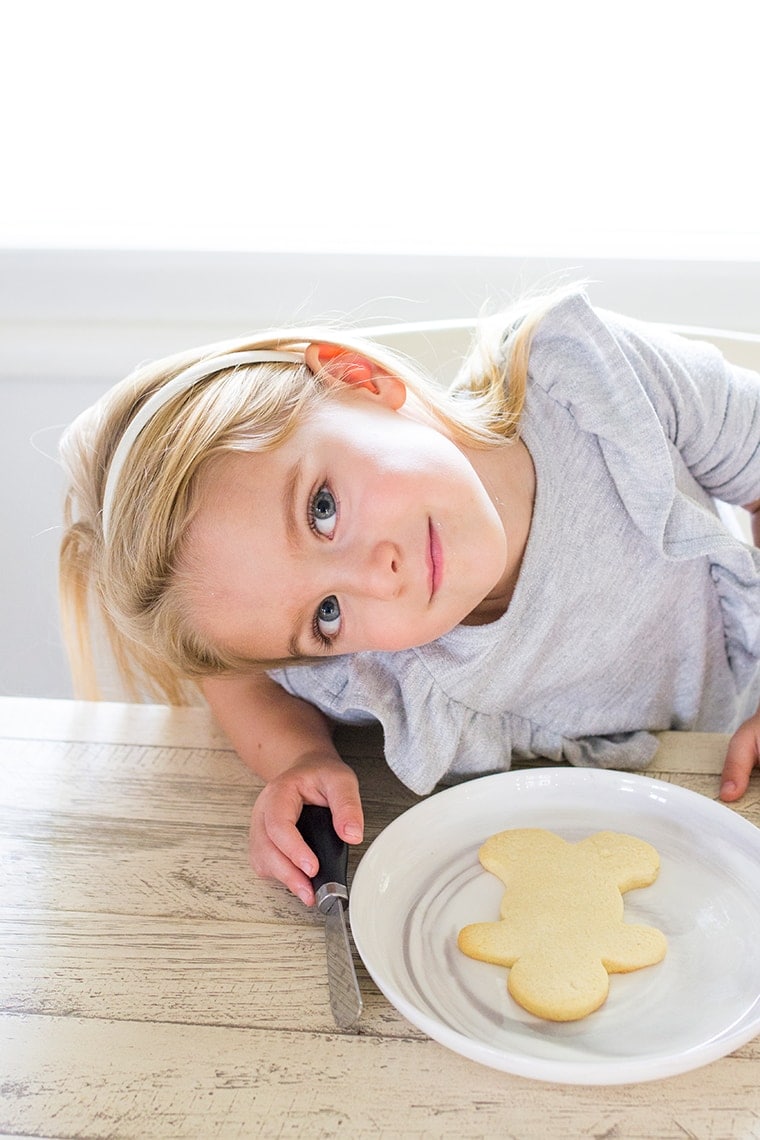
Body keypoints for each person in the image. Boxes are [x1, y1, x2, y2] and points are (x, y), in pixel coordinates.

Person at [59, 287, 760, 906]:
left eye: (323, 510)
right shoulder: (386, 670)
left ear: (356, 377)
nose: (377, 575)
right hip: (656, 854)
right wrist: (298, 759)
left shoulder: (592, 381)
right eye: (326, 614)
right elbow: (232, 669)